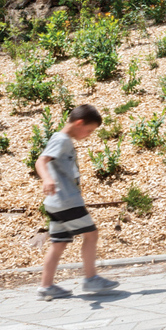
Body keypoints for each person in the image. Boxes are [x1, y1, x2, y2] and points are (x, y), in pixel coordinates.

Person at [37, 104, 118, 299]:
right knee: (91, 235)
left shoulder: (63, 140)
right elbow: (41, 161)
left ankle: (46, 287)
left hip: (56, 203)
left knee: (58, 244)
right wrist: (47, 179)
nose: (89, 135)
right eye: (89, 130)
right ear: (79, 123)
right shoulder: (61, 139)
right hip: (66, 201)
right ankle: (91, 279)